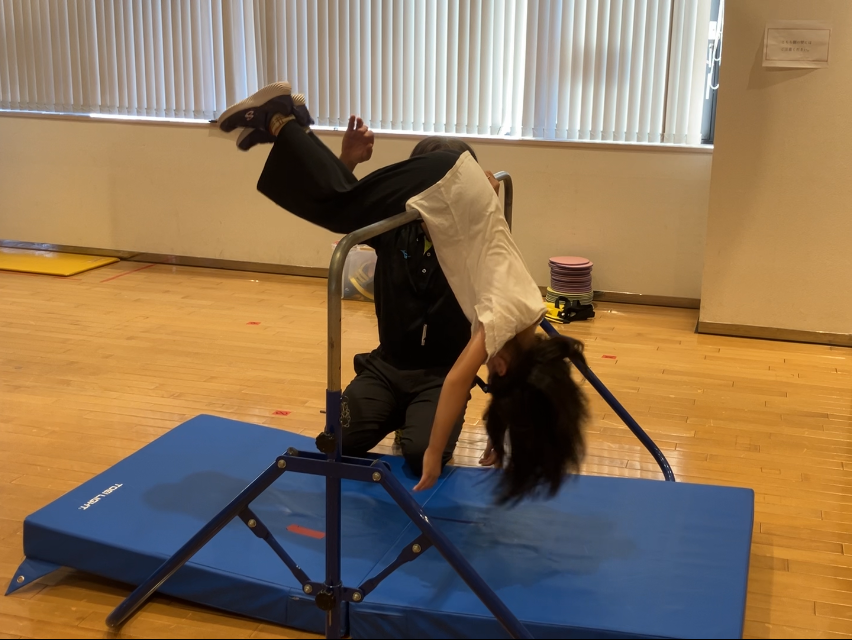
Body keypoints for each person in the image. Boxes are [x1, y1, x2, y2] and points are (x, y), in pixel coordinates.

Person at [217, 82, 589, 504]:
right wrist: (433, 457)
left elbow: (514, 384)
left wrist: (500, 431)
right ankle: (279, 119)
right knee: (342, 207)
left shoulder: (529, 313)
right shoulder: (504, 319)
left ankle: (287, 126)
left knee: (343, 206)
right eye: (492, 368)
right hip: (445, 182)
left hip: (452, 183)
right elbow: (458, 381)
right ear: (502, 366)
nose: (487, 364)